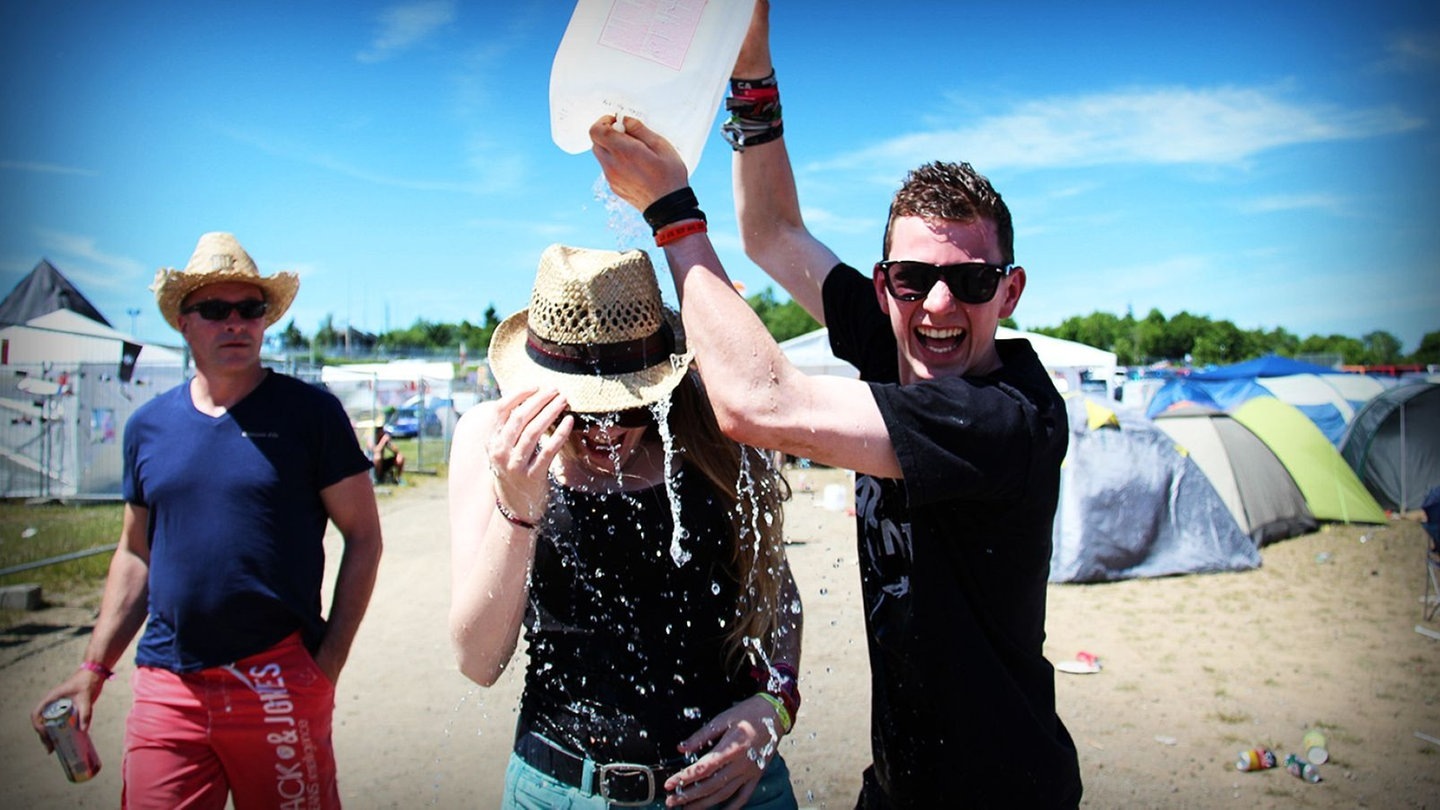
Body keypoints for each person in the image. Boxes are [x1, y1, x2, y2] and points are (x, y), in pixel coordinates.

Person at [587, 3, 1081, 806]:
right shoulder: (899, 342)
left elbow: (755, 403)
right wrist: (752, 65)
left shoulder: (1006, 416)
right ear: (885, 285)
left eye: (974, 282)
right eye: (913, 280)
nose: (939, 306)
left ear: (1011, 291)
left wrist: (673, 216)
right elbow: (774, 234)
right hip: (898, 783)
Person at [29, 232, 384, 808]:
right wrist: (93, 669)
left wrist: (327, 664)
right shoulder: (148, 427)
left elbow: (364, 538)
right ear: (183, 322)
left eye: (250, 309)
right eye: (216, 310)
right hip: (168, 687)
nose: (235, 323)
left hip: (277, 682)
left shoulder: (310, 414)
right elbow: (136, 552)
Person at [448, 244, 803, 809]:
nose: (607, 432)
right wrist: (518, 508)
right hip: (561, 789)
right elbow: (478, 661)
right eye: (580, 411)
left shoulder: (715, 427)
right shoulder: (489, 438)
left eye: (635, 404)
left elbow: (777, 596)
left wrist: (775, 704)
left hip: (732, 790)